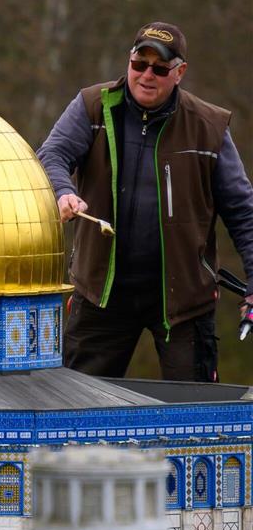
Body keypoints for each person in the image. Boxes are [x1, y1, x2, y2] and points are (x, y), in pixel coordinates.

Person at [37, 21, 253, 381]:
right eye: (140, 64)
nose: (147, 75)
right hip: (100, 294)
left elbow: (243, 213)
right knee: (73, 411)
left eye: (160, 68)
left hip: (184, 301)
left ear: (179, 72)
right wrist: (64, 191)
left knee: (192, 419)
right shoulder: (92, 106)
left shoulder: (210, 126)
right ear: (129, 62)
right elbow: (52, 154)